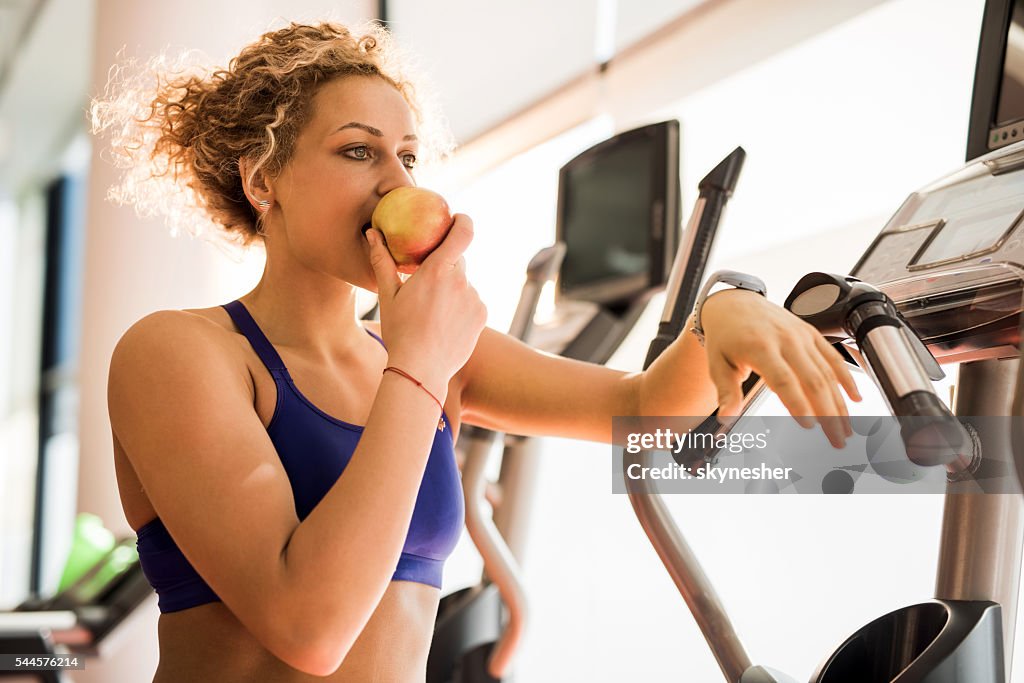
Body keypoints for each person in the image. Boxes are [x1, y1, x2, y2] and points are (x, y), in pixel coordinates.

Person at [95, 21, 861, 683]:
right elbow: (308, 626)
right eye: (359, 152)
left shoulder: (435, 355)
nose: (395, 180)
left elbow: (642, 408)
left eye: (407, 157)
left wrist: (719, 314)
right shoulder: (180, 352)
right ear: (264, 180)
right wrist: (418, 367)